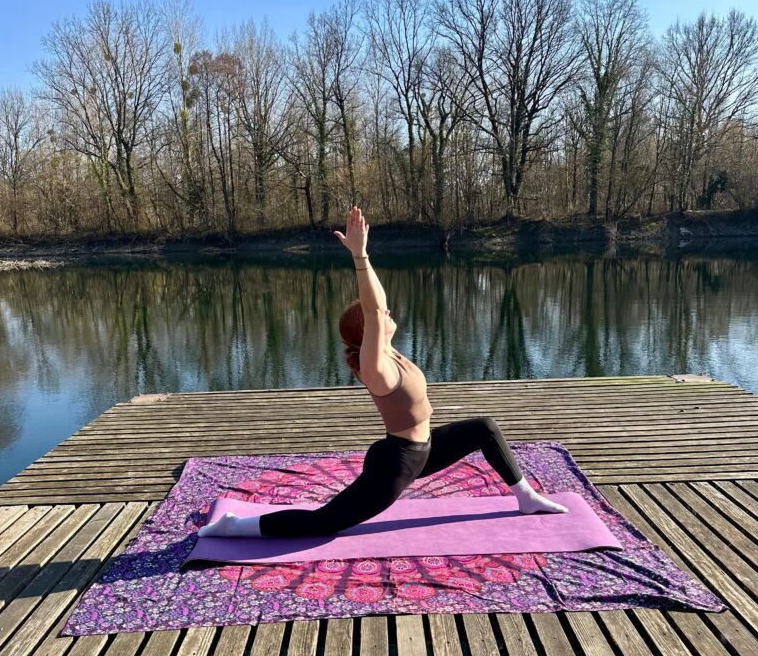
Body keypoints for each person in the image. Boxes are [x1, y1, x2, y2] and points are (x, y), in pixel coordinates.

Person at [198, 206, 568, 539]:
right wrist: (360, 255)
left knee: (484, 428)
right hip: (399, 463)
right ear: (367, 332)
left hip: (424, 448)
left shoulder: (390, 352)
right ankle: (236, 527)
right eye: (377, 317)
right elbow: (376, 311)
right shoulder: (377, 367)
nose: (388, 313)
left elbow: (378, 307)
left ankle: (526, 496)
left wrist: (366, 264)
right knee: (323, 523)